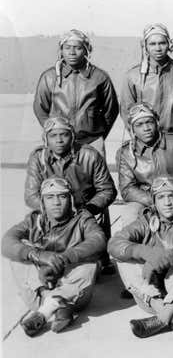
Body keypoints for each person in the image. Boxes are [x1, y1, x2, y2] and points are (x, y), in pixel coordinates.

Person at [108, 175, 173, 338]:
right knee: (123, 259)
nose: (166, 202)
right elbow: (114, 243)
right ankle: (169, 316)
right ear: (154, 201)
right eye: (161, 197)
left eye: (171, 196)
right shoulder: (146, 221)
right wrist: (147, 253)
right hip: (151, 298)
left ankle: (163, 317)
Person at [2, 177, 106, 336]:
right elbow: (7, 242)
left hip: (73, 288)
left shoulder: (82, 217)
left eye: (62, 196)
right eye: (50, 197)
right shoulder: (33, 219)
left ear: (70, 199)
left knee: (90, 264)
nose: (56, 202)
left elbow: (99, 239)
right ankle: (58, 306)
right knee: (18, 255)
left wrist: (63, 259)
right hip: (41, 288)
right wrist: (39, 255)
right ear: (42, 202)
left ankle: (46, 310)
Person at [24, 117, 117, 273]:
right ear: (46, 139)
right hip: (53, 210)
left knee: (98, 221)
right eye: (53, 136)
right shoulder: (38, 158)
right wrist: (52, 210)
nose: (59, 140)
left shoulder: (89, 155)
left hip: (84, 209)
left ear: (72, 136)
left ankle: (101, 257)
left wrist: (88, 210)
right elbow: (31, 195)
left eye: (64, 135)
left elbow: (107, 189)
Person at [33, 29, 118, 155]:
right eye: (67, 48)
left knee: (96, 174)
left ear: (86, 50)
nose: (72, 52)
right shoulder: (49, 77)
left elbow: (111, 110)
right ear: (61, 50)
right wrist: (54, 132)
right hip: (60, 142)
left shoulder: (100, 77)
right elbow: (40, 109)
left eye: (77, 48)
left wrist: (97, 133)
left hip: (92, 141)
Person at [118, 102, 173, 225]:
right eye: (139, 124)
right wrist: (154, 201)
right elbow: (127, 188)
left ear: (157, 122)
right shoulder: (126, 153)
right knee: (130, 215)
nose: (146, 128)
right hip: (146, 201)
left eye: (149, 122)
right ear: (132, 129)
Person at [120, 23, 173, 136]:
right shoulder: (132, 76)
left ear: (169, 44)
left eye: (162, 43)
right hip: (144, 139)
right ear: (145, 46)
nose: (158, 48)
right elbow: (126, 112)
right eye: (152, 44)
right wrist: (140, 136)